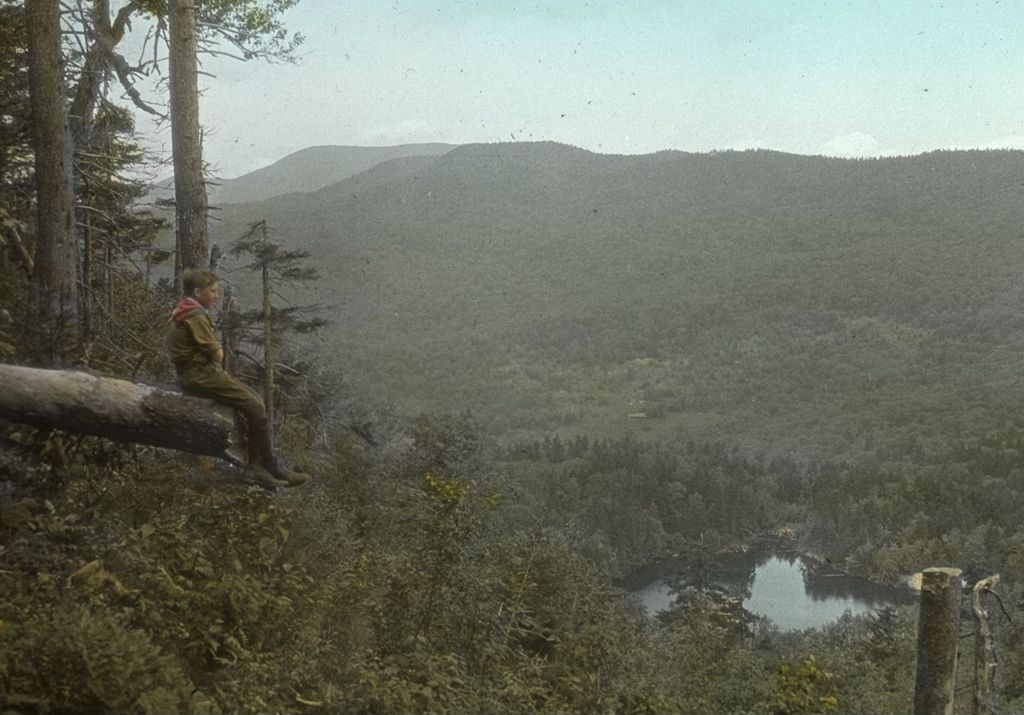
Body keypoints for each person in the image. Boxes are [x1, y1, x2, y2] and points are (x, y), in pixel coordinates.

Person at [167, 268, 309, 489]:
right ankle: (261, 468)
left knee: (253, 402)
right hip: (199, 375)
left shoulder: (184, 309)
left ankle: (266, 466)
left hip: (195, 373)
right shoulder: (195, 315)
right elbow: (217, 353)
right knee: (255, 405)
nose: (217, 295)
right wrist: (215, 356)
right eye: (212, 291)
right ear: (197, 291)